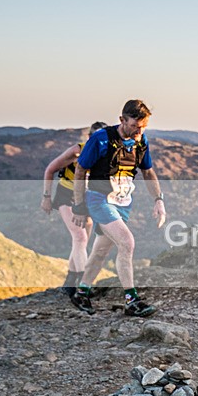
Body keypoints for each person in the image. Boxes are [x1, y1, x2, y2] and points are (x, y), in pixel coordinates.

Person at [70, 100, 166, 317]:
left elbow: (148, 172)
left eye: (144, 126)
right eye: (135, 126)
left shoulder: (141, 142)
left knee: (102, 250)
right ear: (122, 120)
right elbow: (80, 170)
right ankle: (131, 300)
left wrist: (158, 200)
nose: (139, 130)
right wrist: (78, 205)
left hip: (123, 202)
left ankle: (81, 292)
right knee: (127, 242)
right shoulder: (101, 139)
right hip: (99, 199)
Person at [41, 121, 107, 297]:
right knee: (80, 237)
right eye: (95, 138)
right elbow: (50, 170)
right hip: (66, 195)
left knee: (81, 240)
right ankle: (83, 284)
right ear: (89, 137)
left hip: (87, 199)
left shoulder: (105, 154)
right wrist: (46, 197)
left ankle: (69, 283)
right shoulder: (76, 151)